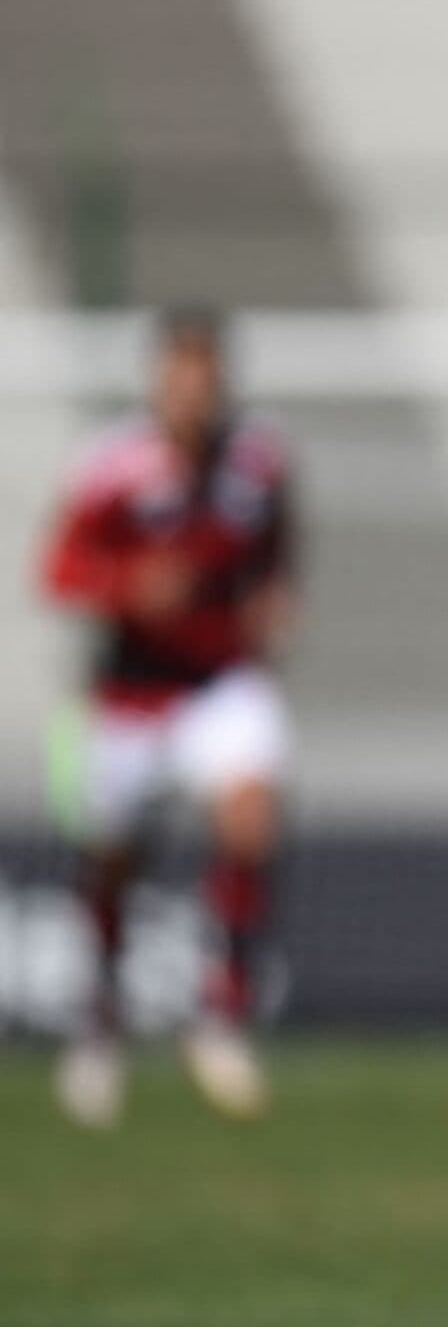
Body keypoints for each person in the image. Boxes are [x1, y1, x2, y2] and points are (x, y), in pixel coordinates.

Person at [40, 309, 298, 1127]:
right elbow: (57, 570)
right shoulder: (111, 465)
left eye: (206, 382)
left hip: (221, 684)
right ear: (158, 383)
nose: (193, 397)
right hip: (130, 694)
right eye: (179, 381)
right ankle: (100, 1025)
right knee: (114, 858)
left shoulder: (256, 463)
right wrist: (126, 587)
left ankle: (220, 1017)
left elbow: (278, 549)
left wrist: (274, 599)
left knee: (251, 816)